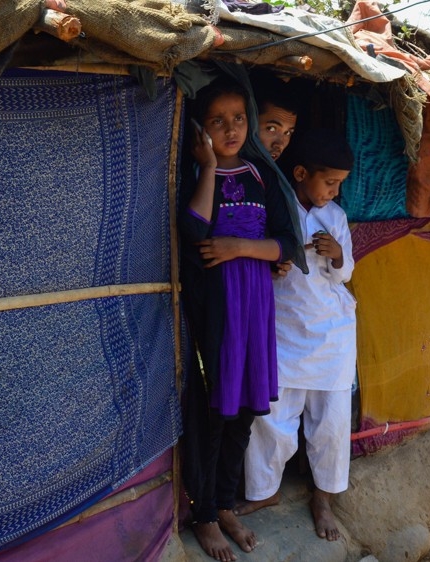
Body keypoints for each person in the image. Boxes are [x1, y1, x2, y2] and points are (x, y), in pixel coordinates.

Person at [179, 76, 299, 562]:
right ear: (200, 130)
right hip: (218, 307)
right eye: (217, 121)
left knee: (246, 410)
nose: (231, 129)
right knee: (216, 412)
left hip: (256, 306)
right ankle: (204, 513)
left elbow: (287, 243)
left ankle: (225, 503)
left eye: (238, 119)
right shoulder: (194, 174)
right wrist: (208, 166)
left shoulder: (261, 175)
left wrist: (241, 248)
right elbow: (193, 229)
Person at [236, 129, 357, 542]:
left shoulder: (335, 218)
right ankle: (263, 490)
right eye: (329, 182)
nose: (333, 191)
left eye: (339, 184)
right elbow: (261, 262)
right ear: (302, 173)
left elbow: (346, 275)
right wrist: (275, 266)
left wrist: (338, 254)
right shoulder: (277, 208)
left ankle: (323, 498)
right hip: (283, 328)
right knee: (271, 417)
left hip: (332, 335)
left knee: (332, 423)